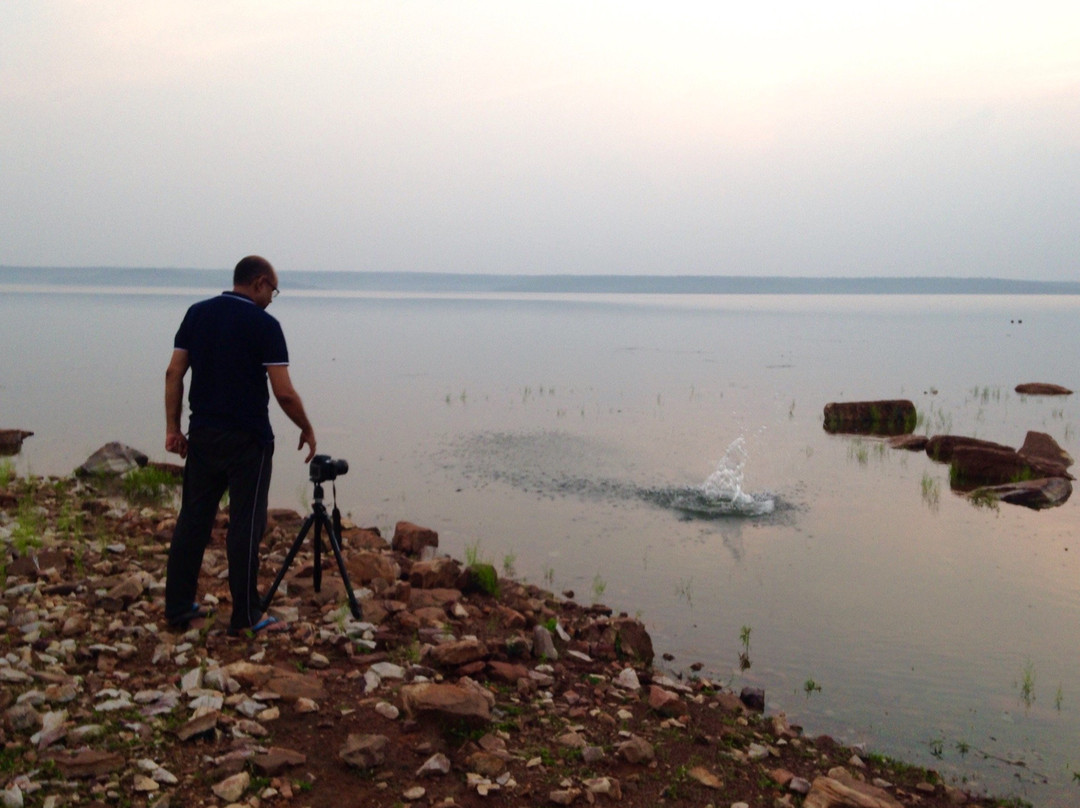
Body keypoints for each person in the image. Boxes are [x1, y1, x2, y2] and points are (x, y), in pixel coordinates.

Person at [164, 255, 316, 635]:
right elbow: (284, 392)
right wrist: (306, 428)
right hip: (249, 440)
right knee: (246, 525)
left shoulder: (197, 314)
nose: (271, 299)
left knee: (192, 521)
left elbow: (173, 373)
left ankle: (179, 608)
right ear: (260, 282)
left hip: (202, 435)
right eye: (273, 291)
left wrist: (173, 428)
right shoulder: (265, 325)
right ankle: (246, 616)